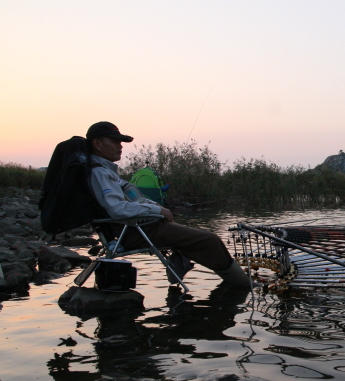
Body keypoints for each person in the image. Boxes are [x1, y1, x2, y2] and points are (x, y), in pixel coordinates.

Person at [85, 121, 250, 287]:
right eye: (114, 142)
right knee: (211, 240)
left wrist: (160, 210)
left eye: (120, 142)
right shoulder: (99, 173)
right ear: (97, 144)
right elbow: (117, 209)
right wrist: (158, 210)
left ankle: (181, 263)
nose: (119, 146)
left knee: (188, 235)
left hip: (138, 227)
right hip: (134, 232)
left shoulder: (105, 171)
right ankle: (243, 285)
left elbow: (134, 199)